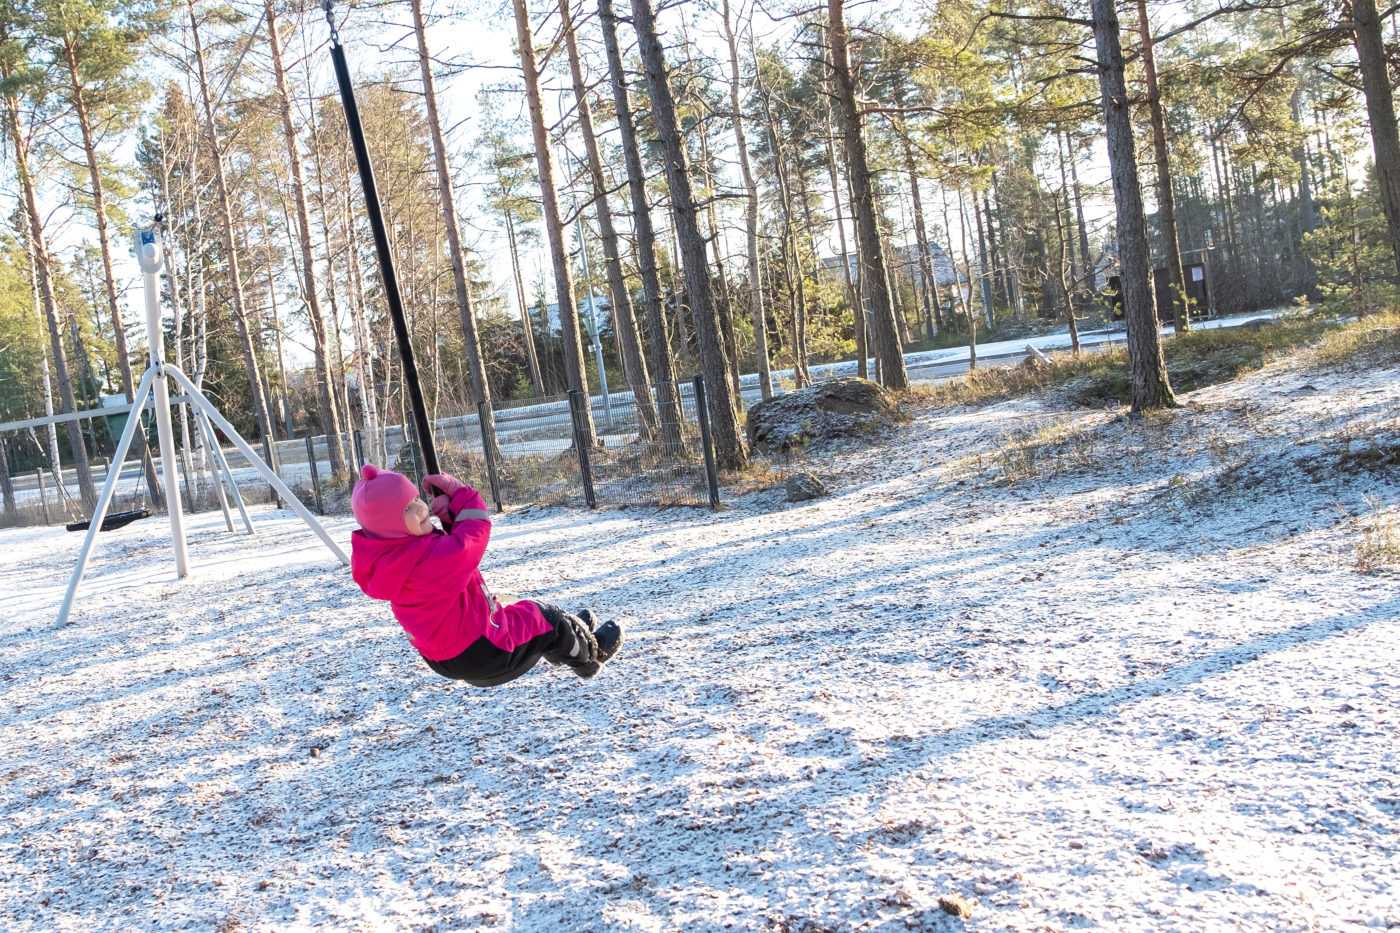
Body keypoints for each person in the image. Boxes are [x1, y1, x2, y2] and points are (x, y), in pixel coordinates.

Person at [349, 463, 621, 687]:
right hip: (482, 648)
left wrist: (450, 520)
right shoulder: (428, 561)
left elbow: (445, 554)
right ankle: (589, 657)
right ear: (388, 526)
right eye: (406, 509)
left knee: (532, 619)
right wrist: (461, 497)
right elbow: (473, 533)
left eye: (417, 499)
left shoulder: (390, 558)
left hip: (444, 654)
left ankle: (569, 634)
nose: (421, 509)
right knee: (544, 617)